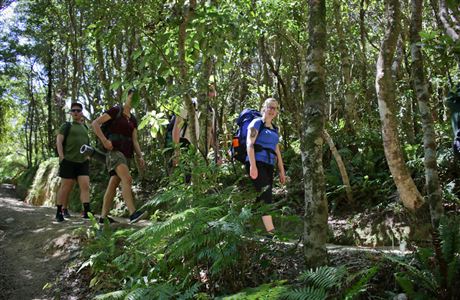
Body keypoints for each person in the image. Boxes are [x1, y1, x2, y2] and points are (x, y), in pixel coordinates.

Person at [92, 89, 146, 224]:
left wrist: (140, 156)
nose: (133, 101)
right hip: (114, 152)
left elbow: (135, 140)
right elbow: (95, 124)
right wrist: (104, 141)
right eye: (131, 97)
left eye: (136, 99)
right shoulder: (116, 111)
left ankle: (103, 217)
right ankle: (133, 213)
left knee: (113, 184)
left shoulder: (133, 119)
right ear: (126, 97)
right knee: (127, 178)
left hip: (127, 155)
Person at [246, 98, 286, 235]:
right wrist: (252, 165)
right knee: (266, 194)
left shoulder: (274, 129)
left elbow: (277, 151)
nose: (272, 111)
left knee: (261, 197)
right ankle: (271, 231)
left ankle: (246, 224)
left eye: (275, 108)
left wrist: (282, 171)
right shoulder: (256, 123)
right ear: (264, 108)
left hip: (269, 164)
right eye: (270, 107)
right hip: (256, 162)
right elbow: (249, 144)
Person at [55, 102, 91, 222]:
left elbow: (87, 143)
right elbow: (59, 141)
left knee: (85, 185)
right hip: (68, 161)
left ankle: (87, 212)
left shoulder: (85, 128)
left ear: (82, 113)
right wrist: (61, 156)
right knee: (66, 187)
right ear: (71, 113)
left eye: (78, 110)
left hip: (82, 162)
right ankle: (59, 211)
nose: (76, 112)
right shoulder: (66, 126)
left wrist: (88, 156)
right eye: (74, 110)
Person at [171, 96, 220, 181]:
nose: (211, 94)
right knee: (184, 177)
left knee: (198, 177)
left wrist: (217, 154)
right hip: (184, 144)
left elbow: (212, 134)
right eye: (210, 90)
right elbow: (176, 128)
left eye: (213, 91)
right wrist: (177, 151)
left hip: (200, 148)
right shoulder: (188, 104)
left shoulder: (211, 111)